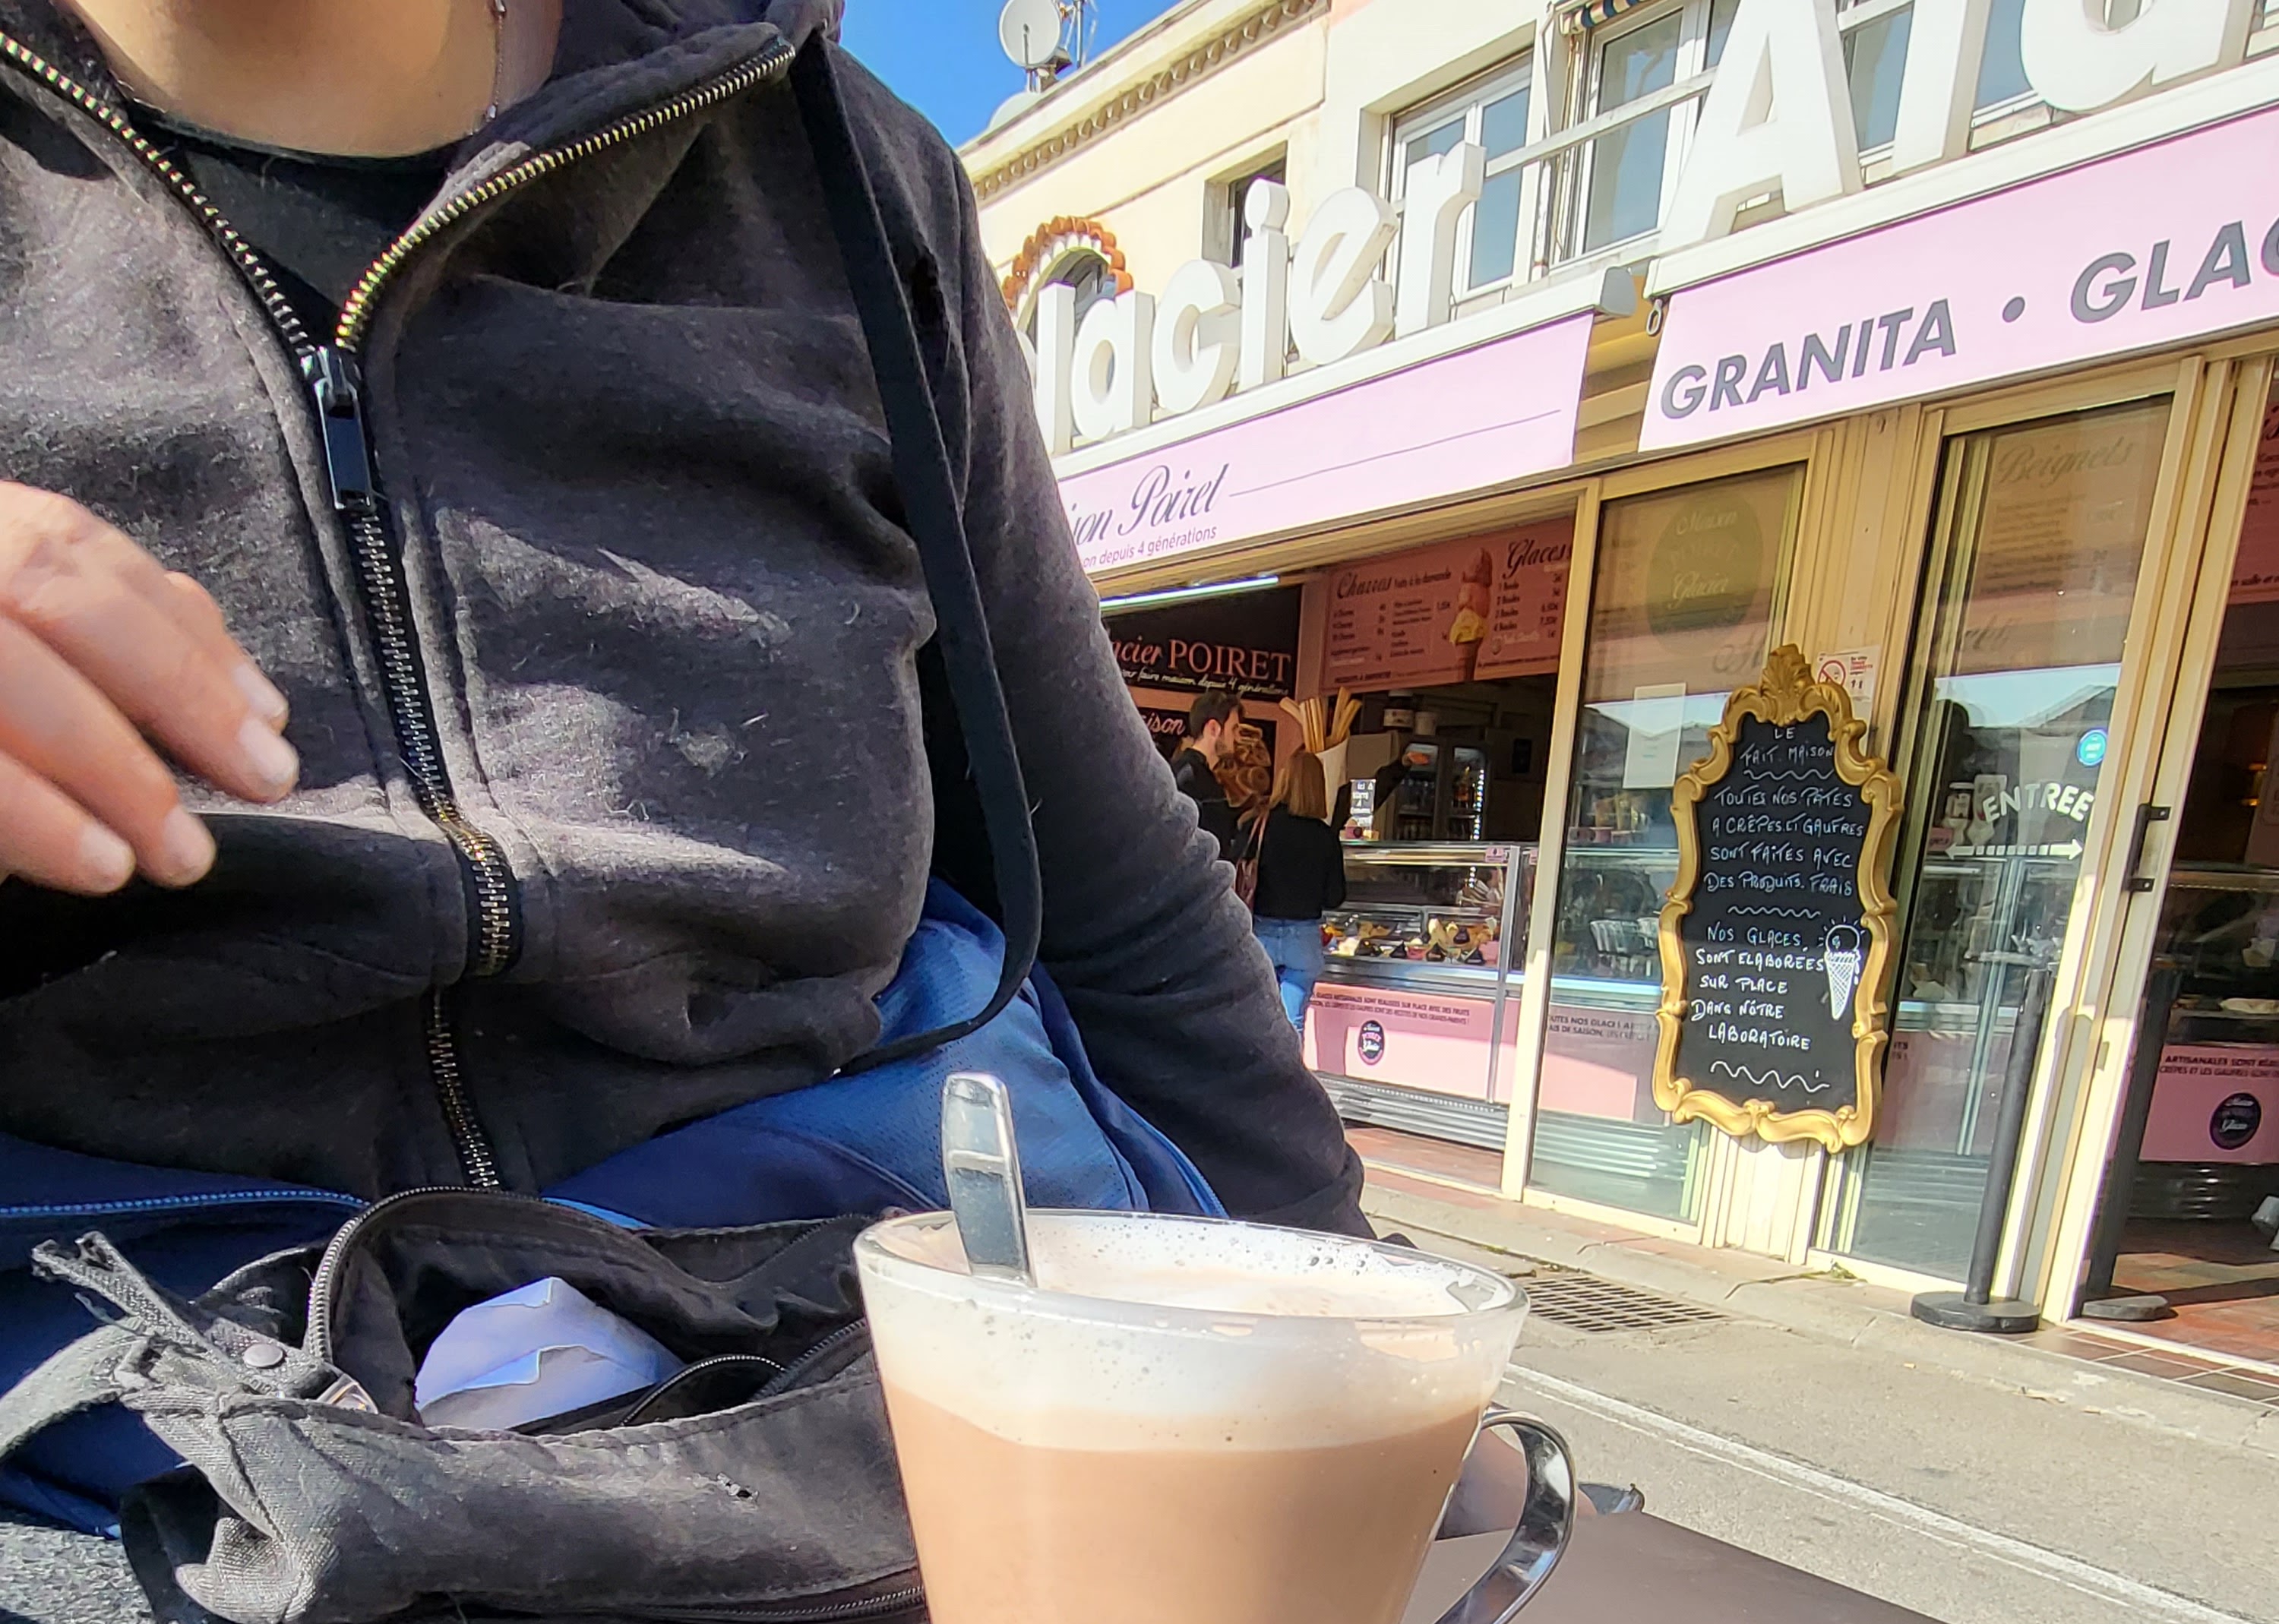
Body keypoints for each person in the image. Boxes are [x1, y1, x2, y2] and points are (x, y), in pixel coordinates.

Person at [0, 0, 1364, 1303]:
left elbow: (1113, 898)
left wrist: (1376, 1350)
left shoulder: (840, 172)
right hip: (129, 1355)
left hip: (819, 1323)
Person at [1249, 748, 1346, 1032]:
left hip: (1261, 934)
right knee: (1292, 1024)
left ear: (1284, 780)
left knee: (1256, 1024)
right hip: (1303, 940)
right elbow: (1335, 897)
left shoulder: (1261, 825)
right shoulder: (1325, 836)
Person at [1165, 687, 1241, 861]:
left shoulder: (1184, 771)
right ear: (1213, 728)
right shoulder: (1193, 778)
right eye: (1234, 729)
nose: (1237, 738)